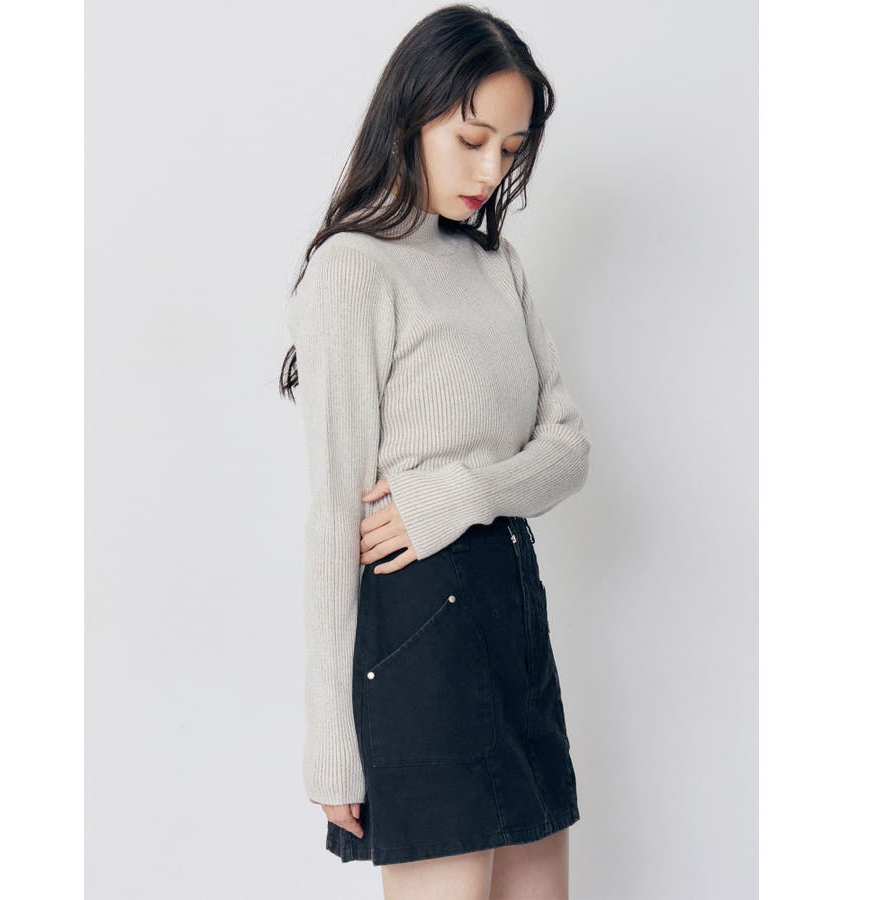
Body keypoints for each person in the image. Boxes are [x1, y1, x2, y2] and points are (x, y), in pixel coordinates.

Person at [280, 5, 591, 897]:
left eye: (512, 149)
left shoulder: (498, 264)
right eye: (471, 140)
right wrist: (330, 740)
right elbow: (335, 514)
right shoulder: (354, 269)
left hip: (513, 612)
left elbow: (569, 451)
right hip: (416, 632)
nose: (491, 171)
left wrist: (461, 492)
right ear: (411, 116)